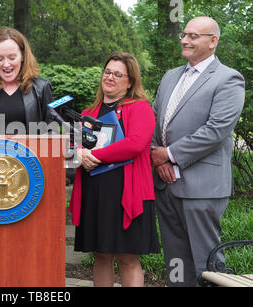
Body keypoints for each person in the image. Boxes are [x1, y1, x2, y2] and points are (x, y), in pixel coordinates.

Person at [150, 16, 245, 287]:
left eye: (193, 36)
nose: (184, 40)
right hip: (166, 184)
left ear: (212, 41)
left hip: (202, 187)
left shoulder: (228, 79)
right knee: (176, 260)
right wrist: (159, 160)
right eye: (184, 34)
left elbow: (216, 130)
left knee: (207, 260)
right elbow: (155, 120)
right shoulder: (171, 76)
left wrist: (169, 155)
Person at [69, 53, 160, 287]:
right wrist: (78, 154)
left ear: (130, 81)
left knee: (127, 257)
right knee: (100, 255)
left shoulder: (140, 108)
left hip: (125, 194)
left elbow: (136, 143)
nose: (110, 77)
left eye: (118, 74)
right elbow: (75, 146)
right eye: (107, 72)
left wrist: (93, 155)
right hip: (95, 193)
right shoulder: (89, 112)